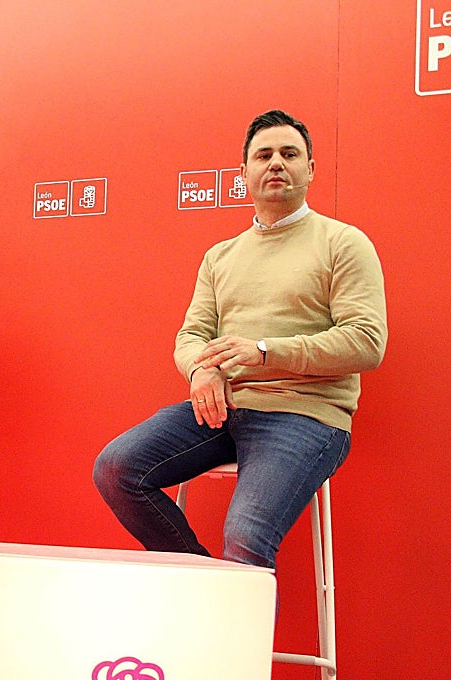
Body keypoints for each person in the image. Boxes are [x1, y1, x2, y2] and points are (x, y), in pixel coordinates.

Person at [93, 110, 386, 569]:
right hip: (222, 408)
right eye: (263, 155)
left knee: (246, 538)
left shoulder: (343, 243)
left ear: (309, 170)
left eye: (289, 154)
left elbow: (366, 341)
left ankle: (233, 622)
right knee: (116, 469)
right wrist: (200, 369)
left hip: (304, 414)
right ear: (243, 173)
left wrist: (265, 351)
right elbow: (192, 334)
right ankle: (209, 584)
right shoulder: (220, 256)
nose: (276, 164)